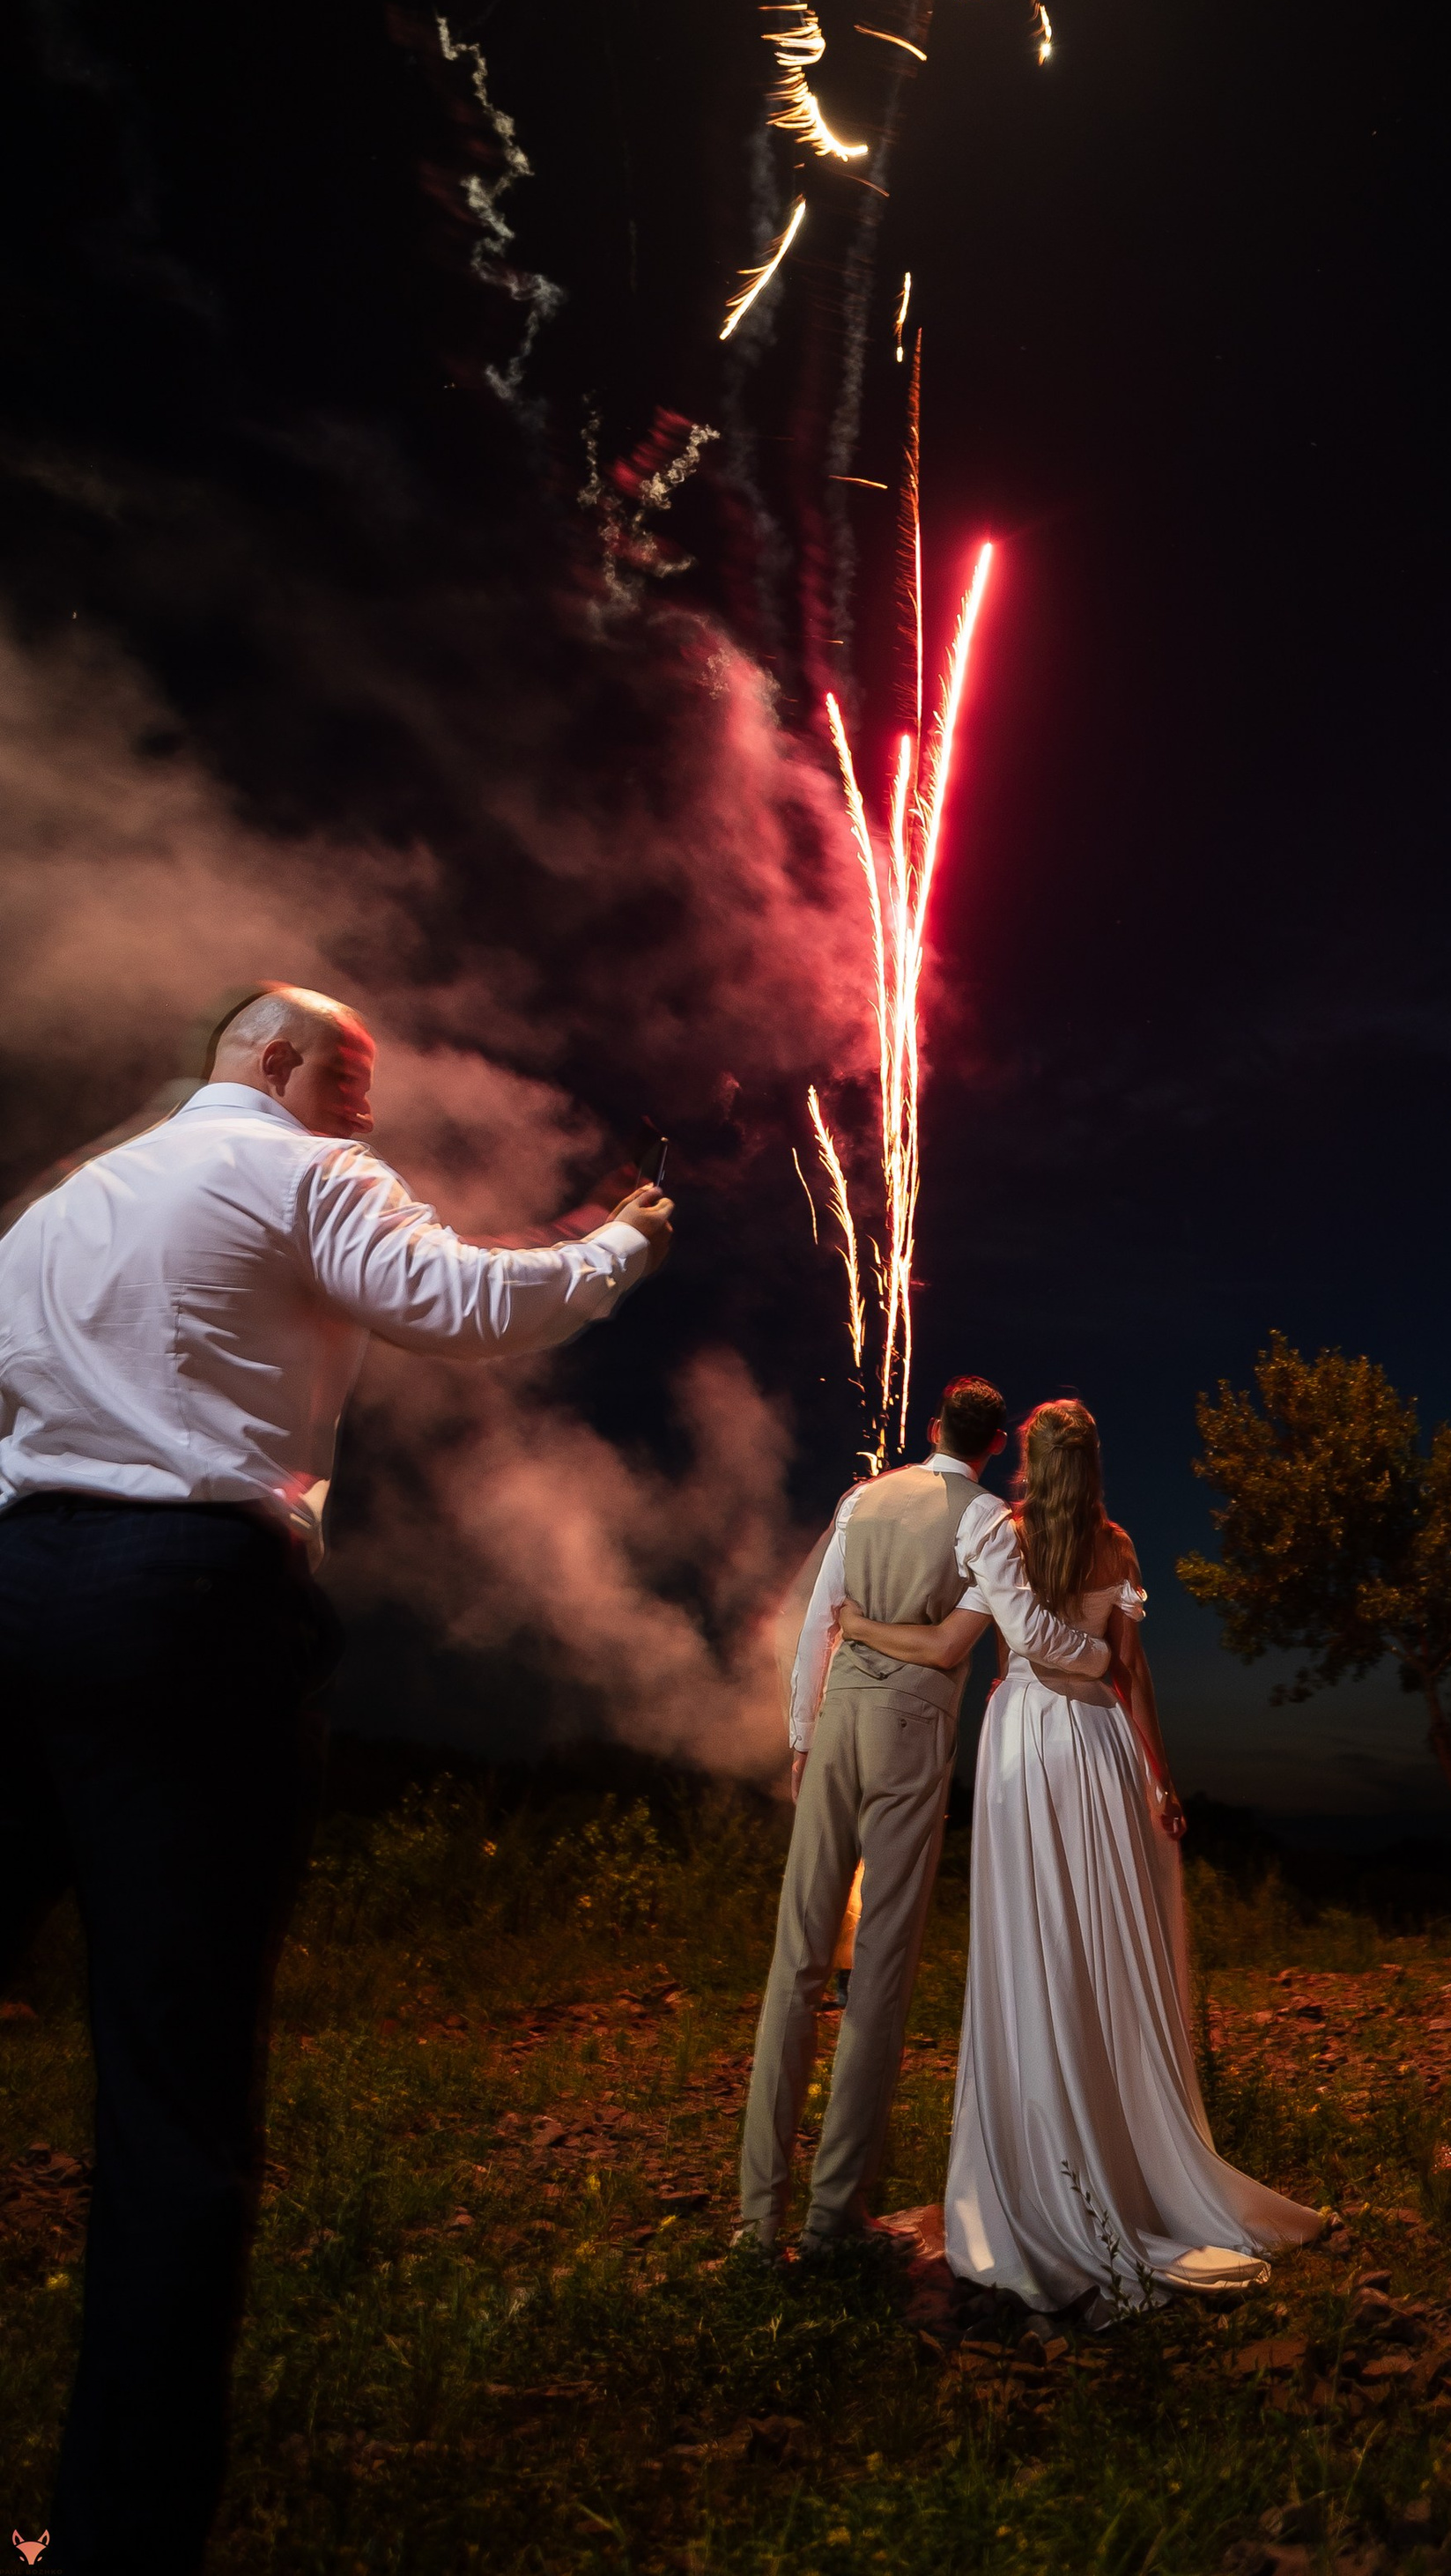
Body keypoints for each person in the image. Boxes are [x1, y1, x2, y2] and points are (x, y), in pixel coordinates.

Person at [0, 985, 672, 2576]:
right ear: (274, 1061)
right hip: (190, 1607)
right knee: (174, 2101)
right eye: (352, 1078)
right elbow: (466, 1302)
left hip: (14, 1589)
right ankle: (121, 2546)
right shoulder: (295, 1170)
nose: (368, 1113)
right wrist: (624, 1241)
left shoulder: (54, 1208)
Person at [838, 1395, 1323, 2318]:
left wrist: (859, 1629)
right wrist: (1158, 1778)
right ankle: (1123, 2151)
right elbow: (1131, 1668)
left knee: (1035, 1943)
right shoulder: (1119, 1543)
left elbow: (955, 1644)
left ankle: (1043, 2159)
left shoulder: (1000, 1532)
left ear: (1028, 1457)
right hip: (1098, 1745)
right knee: (1103, 1943)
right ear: (1093, 1463)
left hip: (1025, 1741)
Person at [737, 1375, 1116, 2254]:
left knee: (795, 1957)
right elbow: (1021, 1632)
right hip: (910, 1730)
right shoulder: (985, 1517)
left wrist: (802, 1735)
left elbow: (818, 1622)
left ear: (935, 1426)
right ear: (991, 1447)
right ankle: (835, 2217)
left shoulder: (862, 1495)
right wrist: (1100, 1648)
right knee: (878, 1969)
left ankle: (757, 2218)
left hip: (835, 1722)